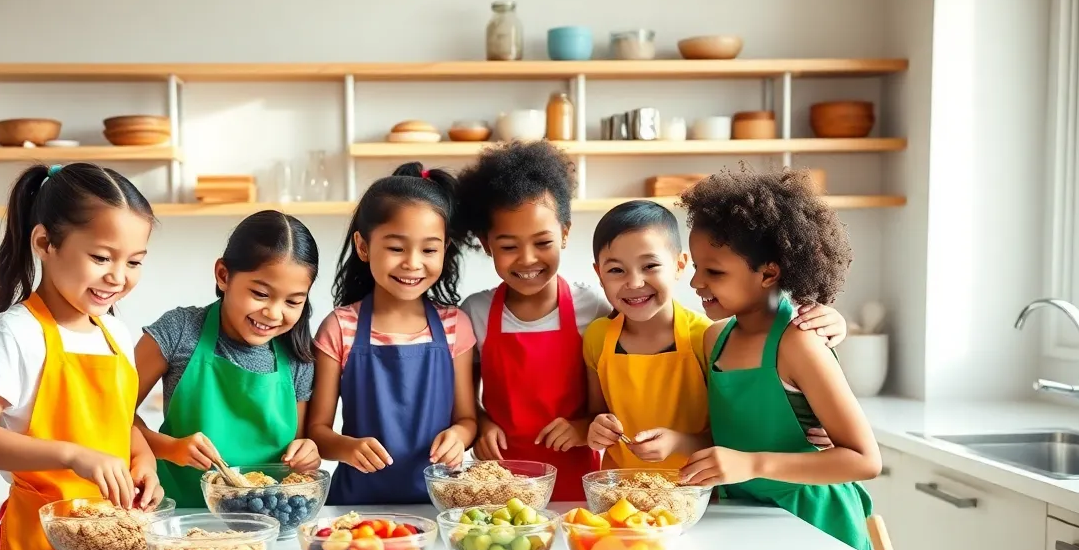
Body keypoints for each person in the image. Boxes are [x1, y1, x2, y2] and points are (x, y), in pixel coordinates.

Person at [0, 163, 161, 550]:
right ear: (45, 243)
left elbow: (118, 421)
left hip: (111, 544)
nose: (118, 277)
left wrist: (143, 458)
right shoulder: (16, 333)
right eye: (102, 257)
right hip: (39, 549)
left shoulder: (115, 334)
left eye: (134, 261)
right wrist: (72, 455)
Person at [680, 168, 880, 550]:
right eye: (696, 269)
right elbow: (735, 437)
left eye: (714, 272)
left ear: (769, 273)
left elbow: (864, 459)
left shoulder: (799, 343)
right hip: (744, 518)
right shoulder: (714, 340)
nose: (695, 284)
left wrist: (753, 465)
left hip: (816, 525)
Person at [584, 200, 847, 471]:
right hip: (618, 490)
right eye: (616, 270)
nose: (635, 283)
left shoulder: (708, 337)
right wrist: (595, 429)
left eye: (650, 266)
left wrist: (817, 424)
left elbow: (736, 432)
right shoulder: (597, 337)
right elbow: (594, 415)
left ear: (679, 265)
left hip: (700, 492)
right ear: (599, 274)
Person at [307, 163, 477, 505]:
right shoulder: (340, 327)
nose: (413, 263)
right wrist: (348, 447)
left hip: (440, 505)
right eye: (397, 248)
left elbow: (468, 419)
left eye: (429, 249)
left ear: (445, 250)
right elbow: (317, 433)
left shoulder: (455, 325)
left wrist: (458, 437)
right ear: (364, 246)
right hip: (354, 508)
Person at [134, 210, 321, 508]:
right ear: (223, 275)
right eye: (260, 293)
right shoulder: (180, 331)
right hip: (182, 517)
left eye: (293, 301)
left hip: (267, 521)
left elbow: (298, 447)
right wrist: (170, 448)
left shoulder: (299, 357)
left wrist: (308, 451)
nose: (273, 313)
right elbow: (113, 414)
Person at [454, 141, 608, 501]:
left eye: (542, 242)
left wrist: (584, 428)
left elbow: (612, 407)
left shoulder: (596, 309)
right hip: (499, 483)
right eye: (508, 246)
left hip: (577, 486)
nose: (527, 259)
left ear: (565, 234)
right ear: (486, 243)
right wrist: (482, 424)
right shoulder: (474, 312)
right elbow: (464, 403)